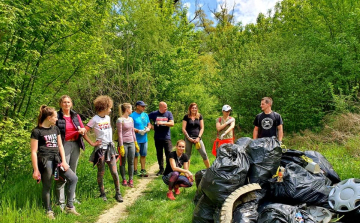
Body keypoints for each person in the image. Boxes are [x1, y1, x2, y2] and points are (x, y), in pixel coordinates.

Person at [31, 105, 80, 219]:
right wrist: (36, 170)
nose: (57, 119)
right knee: (47, 186)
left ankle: (69, 206)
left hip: (57, 159)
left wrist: (64, 161)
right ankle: (48, 211)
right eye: (55, 117)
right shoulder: (37, 131)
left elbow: (60, 145)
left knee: (73, 178)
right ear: (48, 118)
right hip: (45, 160)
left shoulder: (55, 128)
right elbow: (33, 151)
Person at [85, 95, 123, 202]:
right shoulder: (94, 119)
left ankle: (118, 193)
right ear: (104, 107)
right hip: (100, 149)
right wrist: (92, 143)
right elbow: (84, 132)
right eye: (109, 108)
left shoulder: (108, 118)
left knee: (114, 172)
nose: (111, 110)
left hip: (110, 148)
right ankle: (102, 194)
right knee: (101, 172)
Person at [55, 95, 86, 210]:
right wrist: (75, 133)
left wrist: (82, 131)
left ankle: (71, 198)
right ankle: (60, 201)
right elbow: (57, 134)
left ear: (71, 104)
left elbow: (82, 128)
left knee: (73, 172)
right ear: (60, 104)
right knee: (63, 172)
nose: (66, 104)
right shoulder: (57, 117)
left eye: (68, 102)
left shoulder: (75, 115)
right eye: (64, 102)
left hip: (75, 145)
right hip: (64, 145)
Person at [116, 103, 140, 188]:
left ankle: (131, 179)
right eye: (130, 108)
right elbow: (119, 134)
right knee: (123, 162)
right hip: (124, 143)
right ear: (126, 109)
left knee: (131, 162)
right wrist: (121, 146)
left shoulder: (131, 119)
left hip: (131, 143)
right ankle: (124, 179)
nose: (132, 110)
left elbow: (132, 132)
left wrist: (135, 143)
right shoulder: (120, 120)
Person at [149, 101, 174, 176]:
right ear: (160, 107)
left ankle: (168, 169)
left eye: (166, 107)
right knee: (159, 154)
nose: (166, 108)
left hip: (166, 137)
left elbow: (172, 123)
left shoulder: (169, 113)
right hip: (157, 137)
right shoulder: (154, 114)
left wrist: (163, 123)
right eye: (165, 107)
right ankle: (161, 169)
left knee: (169, 153)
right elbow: (145, 119)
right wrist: (151, 126)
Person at [182, 103, 210, 168]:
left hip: (197, 138)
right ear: (190, 109)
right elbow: (183, 128)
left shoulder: (200, 116)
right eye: (192, 108)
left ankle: (209, 170)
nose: (194, 109)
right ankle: (186, 172)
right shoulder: (186, 116)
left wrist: (199, 137)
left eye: (195, 108)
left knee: (204, 154)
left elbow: (202, 128)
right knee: (187, 155)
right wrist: (188, 137)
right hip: (188, 138)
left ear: (197, 109)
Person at [130, 101, 151, 177]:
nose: (144, 108)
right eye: (142, 106)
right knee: (135, 155)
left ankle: (143, 169)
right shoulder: (132, 116)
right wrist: (138, 131)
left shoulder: (145, 115)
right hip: (136, 139)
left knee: (143, 154)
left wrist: (148, 128)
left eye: (144, 106)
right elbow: (130, 127)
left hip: (144, 139)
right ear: (137, 106)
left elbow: (149, 124)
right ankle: (135, 170)